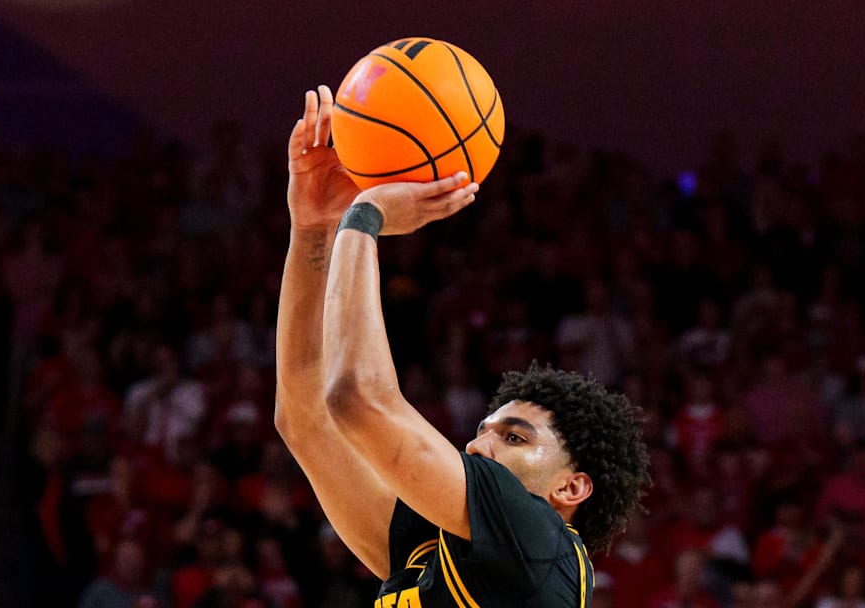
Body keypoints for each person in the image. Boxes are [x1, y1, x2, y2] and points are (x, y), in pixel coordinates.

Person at [273, 86, 650, 607]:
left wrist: (365, 218)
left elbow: (357, 399)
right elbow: (305, 418)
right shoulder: (430, 550)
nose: (475, 447)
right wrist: (312, 227)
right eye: (482, 432)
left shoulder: (543, 545)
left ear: (570, 489)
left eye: (514, 439)